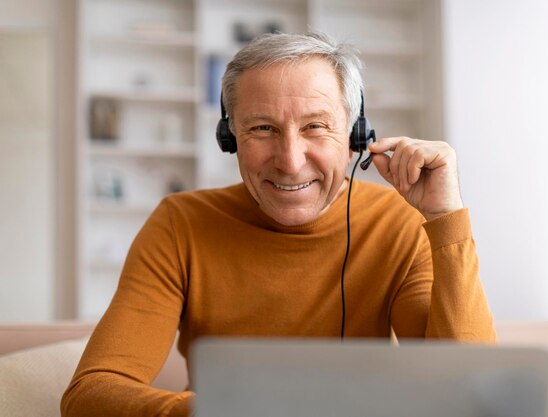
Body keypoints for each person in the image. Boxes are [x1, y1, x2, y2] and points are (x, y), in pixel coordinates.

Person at [61, 31, 496, 417]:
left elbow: (473, 398)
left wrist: (445, 219)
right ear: (229, 139)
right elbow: (89, 396)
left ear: (355, 138)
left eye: (316, 127)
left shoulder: (399, 223)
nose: (290, 161)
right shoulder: (179, 224)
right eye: (263, 128)